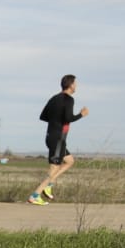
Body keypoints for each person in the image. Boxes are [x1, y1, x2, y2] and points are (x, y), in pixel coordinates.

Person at [28, 74, 89, 205]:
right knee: (53, 170)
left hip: (51, 137)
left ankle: (48, 185)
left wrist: (55, 120)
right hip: (58, 139)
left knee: (69, 161)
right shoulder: (69, 99)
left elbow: (43, 116)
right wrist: (81, 115)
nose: (76, 86)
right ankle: (35, 195)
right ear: (71, 85)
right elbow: (68, 118)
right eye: (75, 84)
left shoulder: (54, 98)